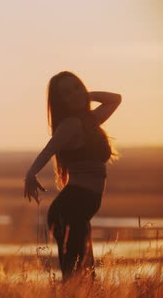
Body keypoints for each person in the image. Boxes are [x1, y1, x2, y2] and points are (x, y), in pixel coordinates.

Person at [24, 71, 121, 281]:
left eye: (77, 87)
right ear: (61, 101)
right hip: (70, 209)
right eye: (67, 93)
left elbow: (115, 99)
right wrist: (30, 174)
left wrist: (86, 95)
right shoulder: (71, 125)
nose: (75, 94)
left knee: (86, 275)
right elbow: (48, 150)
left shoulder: (90, 121)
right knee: (77, 276)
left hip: (79, 209)